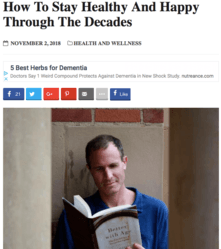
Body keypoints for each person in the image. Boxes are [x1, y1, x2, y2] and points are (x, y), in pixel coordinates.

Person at [53, 135, 168, 249]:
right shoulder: (72, 215)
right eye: (99, 168)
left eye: (113, 166)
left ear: (124, 163)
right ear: (90, 170)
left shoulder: (157, 210)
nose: (108, 176)